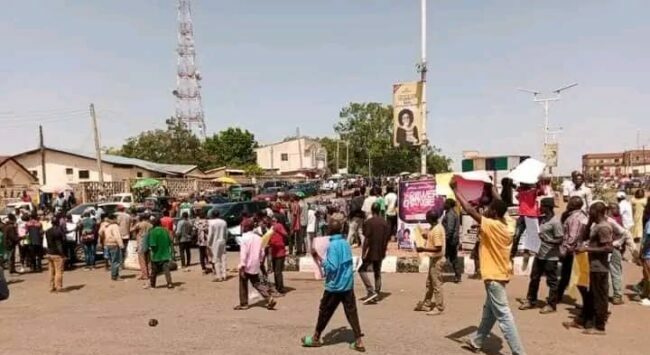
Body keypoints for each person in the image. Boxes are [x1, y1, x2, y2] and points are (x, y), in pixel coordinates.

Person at [451, 179, 526, 355]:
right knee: (489, 312)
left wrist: (455, 190)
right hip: (501, 274)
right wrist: (489, 186)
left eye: (490, 209)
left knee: (504, 316)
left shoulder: (492, 226)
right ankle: (476, 341)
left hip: (493, 277)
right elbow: (500, 203)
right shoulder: (508, 224)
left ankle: (519, 352)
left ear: (494, 213)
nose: (487, 210)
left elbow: (469, 210)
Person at [300, 218, 365, 352]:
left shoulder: (333, 246)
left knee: (324, 311)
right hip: (347, 283)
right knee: (351, 312)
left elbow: (332, 267)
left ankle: (316, 338)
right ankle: (358, 340)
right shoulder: (345, 243)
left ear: (329, 230)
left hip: (335, 286)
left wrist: (319, 258)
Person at [568, 202, 614, 335]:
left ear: (597, 212)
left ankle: (600, 327)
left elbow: (608, 248)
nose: (589, 213)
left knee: (600, 296)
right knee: (591, 295)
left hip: (600, 267)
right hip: (591, 265)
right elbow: (585, 237)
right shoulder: (596, 225)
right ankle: (585, 321)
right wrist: (588, 223)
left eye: (591, 211)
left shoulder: (604, 227)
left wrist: (587, 248)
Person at [519, 198, 564, 314]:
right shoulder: (543, 220)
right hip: (539, 254)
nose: (540, 208)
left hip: (550, 257)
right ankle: (531, 300)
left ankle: (551, 305)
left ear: (548, 207)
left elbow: (560, 239)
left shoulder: (555, 222)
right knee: (534, 278)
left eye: (542, 206)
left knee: (552, 281)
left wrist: (548, 241)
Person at [234, 220, 277, 310]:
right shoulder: (258, 238)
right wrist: (260, 261)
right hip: (255, 264)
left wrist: (242, 265)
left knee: (243, 284)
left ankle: (244, 303)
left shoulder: (244, 238)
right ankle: (269, 297)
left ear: (245, 228)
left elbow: (243, 254)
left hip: (246, 265)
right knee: (256, 283)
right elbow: (262, 251)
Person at [414, 209, 446, 315]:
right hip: (434, 259)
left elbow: (438, 248)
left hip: (437, 259)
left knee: (436, 284)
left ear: (430, 219)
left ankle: (439, 307)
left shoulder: (436, 230)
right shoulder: (435, 227)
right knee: (429, 283)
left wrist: (423, 249)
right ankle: (427, 303)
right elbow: (432, 237)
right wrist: (425, 235)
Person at [557, 196, 587, 302]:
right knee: (567, 274)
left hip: (572, 251)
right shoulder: (581, 215)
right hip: (577, 249)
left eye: (569, 203)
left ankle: (586, 301)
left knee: (570, 275)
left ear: (573, 205)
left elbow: (572, 237)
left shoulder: (574, 218)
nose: (567, 204)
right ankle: (558, 295)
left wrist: (564, 250)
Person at [359, 202, 390, 304]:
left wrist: (363, 252)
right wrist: (384, 250)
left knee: (362, 270)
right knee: (377, 272)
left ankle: (370, 290)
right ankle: (376, 292)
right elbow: (386, 239)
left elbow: (366, 239)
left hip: (371, 251)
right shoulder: (385, 223)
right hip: (381, 250)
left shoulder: (369, 222)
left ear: (372, 210)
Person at [607, 203, 635, 305]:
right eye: (614, 208)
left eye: (618, 208)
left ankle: (617, 296)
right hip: (609, 248)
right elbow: (625, 234)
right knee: (611, 272)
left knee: (615, 272)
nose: (617, 210)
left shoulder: (617, 219)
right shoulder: (610, 220)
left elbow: (625, 234)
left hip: (614, 249)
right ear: (609, 209)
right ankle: (613, 295)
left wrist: (619, 244)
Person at [148, 218, 174, 289]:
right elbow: (170, 241)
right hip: (165, 254)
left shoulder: (152, 232)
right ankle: (169, 283)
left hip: (156, 255)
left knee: (154, 271)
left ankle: (152, 285)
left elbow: (152, 244)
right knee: (166, 270)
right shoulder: (165, 231)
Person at [442, 199, 461, 283]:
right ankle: (458, 275)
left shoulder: (450, 215)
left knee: (443, 257)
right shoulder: (452, 213)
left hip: (450, 240)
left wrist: (444, 238)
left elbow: (450, 229)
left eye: (445, 203)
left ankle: (435, 275)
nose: (444, 204)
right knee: (453, 258)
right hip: (453, 240)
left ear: (449, 205)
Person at [44, 217, 66, 292]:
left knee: (51, 271)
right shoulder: (58, 231)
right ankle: (58, 286)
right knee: (59, 271)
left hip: (49, 252)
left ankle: (51, 286)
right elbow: (59, 244)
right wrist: (62, 254)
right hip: (57, 253)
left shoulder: (47, 231)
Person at [269, 215, 288, 294]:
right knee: (276, 271)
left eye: (274, 220)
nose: (273, 222)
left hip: (280, 252)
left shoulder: (278, 226)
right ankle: (278, 287)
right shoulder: (271, 228)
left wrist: (276, 228)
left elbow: (285, 234)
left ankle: (280, 288)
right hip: (274, 252)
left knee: (278, 272)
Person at [207, 210, 228, 282]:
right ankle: (224, 275)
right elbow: (226, 233)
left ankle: (219, 276)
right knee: (223, 258)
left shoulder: (211, 223)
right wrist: (225, 240)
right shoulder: (223, 222)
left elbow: (210, 234)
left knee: (216, 259)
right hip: (222, 240)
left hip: (215, 242)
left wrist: (208, 243)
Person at [104, 214, 124, 281]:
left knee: (112, 261)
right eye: (116, 218)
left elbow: (100, 232)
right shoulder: (115, 226)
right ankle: (115, 276)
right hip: (114, 244)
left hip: (108, 244)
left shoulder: (107, 226)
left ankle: (114, 275)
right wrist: (121, 245)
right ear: (114, 219)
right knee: (116, 261)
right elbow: (117, 236)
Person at [132, 214, 153, 280]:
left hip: (141, 243)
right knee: (148, 260)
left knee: (142, 260)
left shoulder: (139, 224)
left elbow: (131, 230)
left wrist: (134, 222)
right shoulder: (151, 225)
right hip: (148, 243)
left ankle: (144, 275)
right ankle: (150, 273)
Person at [193, 210, 210, 274]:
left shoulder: (196, 222)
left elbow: (194, 230)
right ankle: (209, 263)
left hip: (200, 239)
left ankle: (203, 267)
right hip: (207, 239)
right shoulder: (207, 222)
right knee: (208, 252)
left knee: (201, 253)